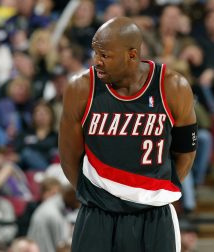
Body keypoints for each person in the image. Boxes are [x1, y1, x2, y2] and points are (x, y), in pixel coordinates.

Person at [58, 17, 197, 252]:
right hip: (97, 214)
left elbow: (186, 152)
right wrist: (99, 195)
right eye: (95, 53)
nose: (97, 61)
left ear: (132, 55)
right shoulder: (80, 88)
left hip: (154, 217)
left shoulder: (173, 87)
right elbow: (68, 156)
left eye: (105, 55)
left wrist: (152, 191)